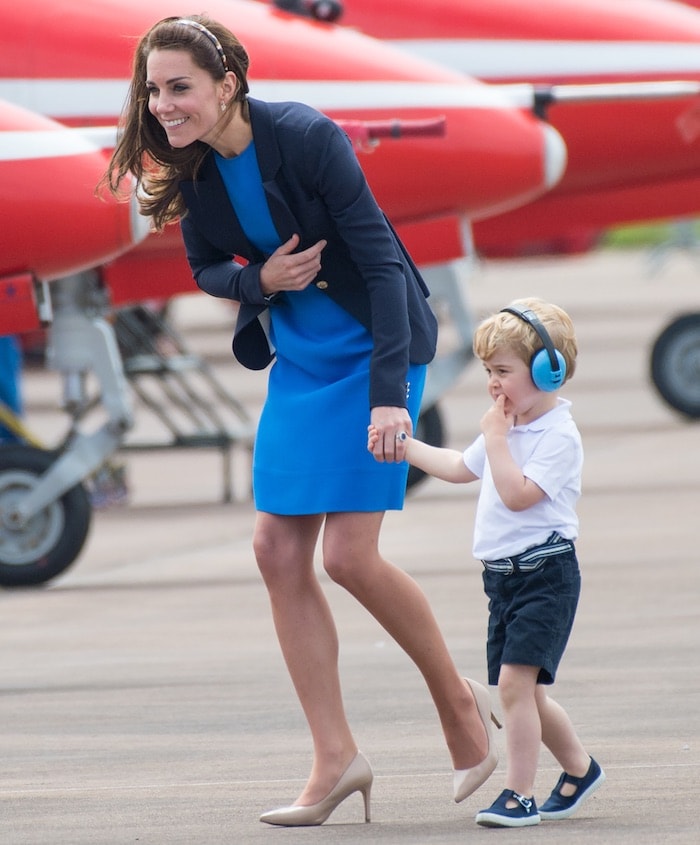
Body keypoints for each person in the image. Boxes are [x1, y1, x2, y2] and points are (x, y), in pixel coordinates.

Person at [104, 13, 498, 826]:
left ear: (227, 84)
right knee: (276, 548)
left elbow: (382, 260)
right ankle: (335, 756)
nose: (164, 105)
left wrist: (393, 393)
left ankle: (458, 701)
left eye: (179, 87)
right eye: (154, 90)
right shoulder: (189, 166)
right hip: (301, 359)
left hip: (374, 349)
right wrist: (262, 283)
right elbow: (206, 266)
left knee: (350, 556)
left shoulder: (305, 136)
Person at [369, 298, 605, 828]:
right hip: (502, 581)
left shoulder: (556, 436)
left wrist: (498, 440)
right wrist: (405, 447)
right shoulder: (510, 426)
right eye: (488, 372)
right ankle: (579, 768)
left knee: (518, 689)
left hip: (546, 574)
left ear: (548, 370)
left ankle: (519, 794)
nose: (493, 384)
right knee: (523, 692)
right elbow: (459, 467)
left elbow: (519, 494)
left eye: (504, 372)